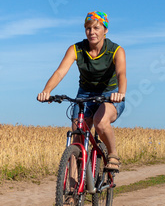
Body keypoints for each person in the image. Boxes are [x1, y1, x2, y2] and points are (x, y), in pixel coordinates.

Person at [37, 11, 127, 170]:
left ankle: (113, 154)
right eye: (88, 28)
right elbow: (60, 72)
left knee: (100, 122)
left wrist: (120, 93)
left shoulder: (116, 50)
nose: (92, 32)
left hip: (109, 95)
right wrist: (46, 91)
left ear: (105, 30)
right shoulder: (76, 49)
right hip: (85, 94)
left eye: (96, 28)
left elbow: (121, 73)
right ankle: (72, 191)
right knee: (77, 142)